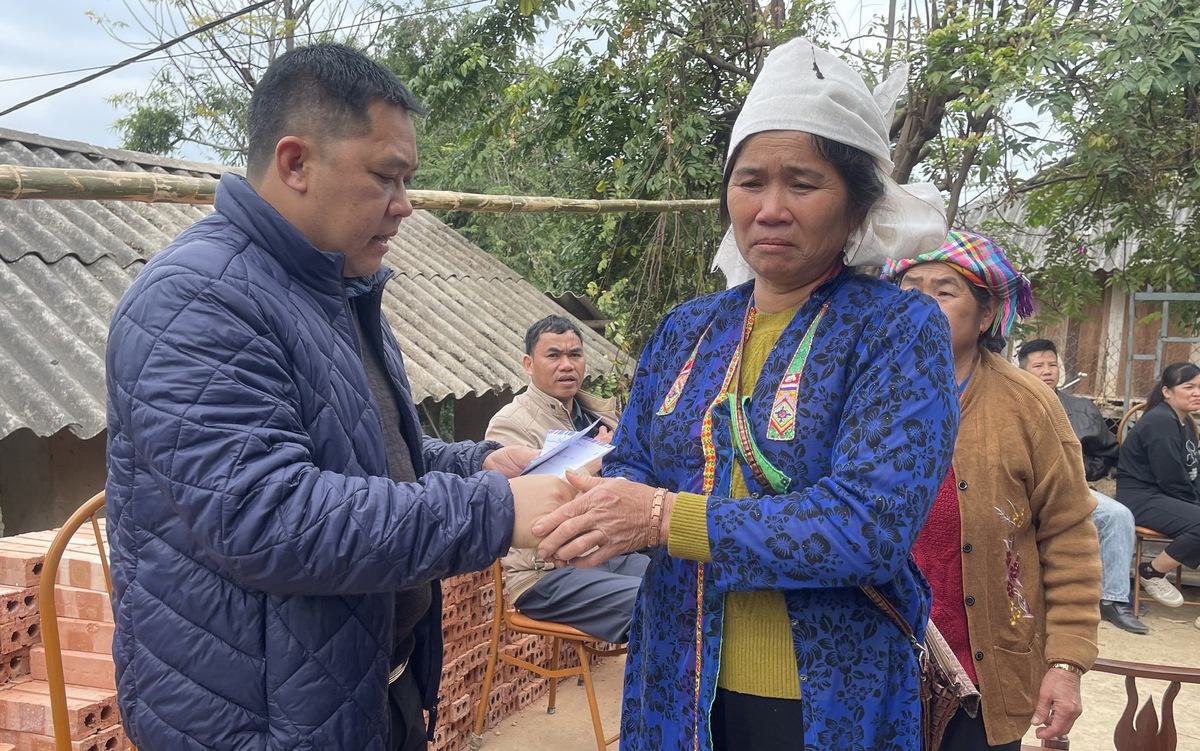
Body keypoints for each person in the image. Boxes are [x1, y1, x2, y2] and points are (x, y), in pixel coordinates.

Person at [105, 44, 575, 751]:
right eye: (386, 177)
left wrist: (472, 464)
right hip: (258, 720)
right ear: (296, 163)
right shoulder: (196, 300)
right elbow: (271, 516)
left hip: (356, 689)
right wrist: (496, 510)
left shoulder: (338, 288)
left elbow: (363, 453)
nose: (405, 205)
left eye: (407, 180)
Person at [533, 37, 958, 751]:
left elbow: (869, 527)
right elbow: (635, 460)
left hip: (827, 694)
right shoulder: (687, 329)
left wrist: (662, 517)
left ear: (857, 204)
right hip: (677, 674)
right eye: (750, 181)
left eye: (803, 183)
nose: (771, 208)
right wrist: (595, 505)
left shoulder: (897, 328)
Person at [883, 232, 1101, 750]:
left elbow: (1069, 533)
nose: (922, 304)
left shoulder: (1028, 404)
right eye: (909, 289)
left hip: (983, 671)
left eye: (944, 291)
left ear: (985, 316)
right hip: (872, 669)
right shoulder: (862, 391)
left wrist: (1066, 662)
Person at [486, 315, 648, 643]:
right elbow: (523, 509)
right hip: (544, 574)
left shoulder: (599, 416)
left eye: (575, 355)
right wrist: (591, 461)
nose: (567, 365)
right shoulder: (510, 424)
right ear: (529, 364)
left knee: (685, 583)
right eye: (553, 355)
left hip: (605, 554)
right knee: (657, 604)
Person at [1017, 339, 1147, 634]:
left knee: (1117, 515)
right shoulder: (1009, 404)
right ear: (1023, 370)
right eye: (1039, 366)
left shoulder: (1082, 409)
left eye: (1052, 365)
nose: (1047, 371)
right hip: (1020, 490)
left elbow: (1106, 452)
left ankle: (1113, 600)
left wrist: (1083, 474)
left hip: (1071, 488)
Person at [1115, 361, 1200, 620]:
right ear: (1167, 391)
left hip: (1164, 495)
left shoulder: (1185, 422)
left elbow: (1192, 472)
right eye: (1189, 387)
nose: (1197, 393)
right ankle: (1152, 571)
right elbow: (1170, 477)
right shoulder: (1160, 422)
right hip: (1141, 497)